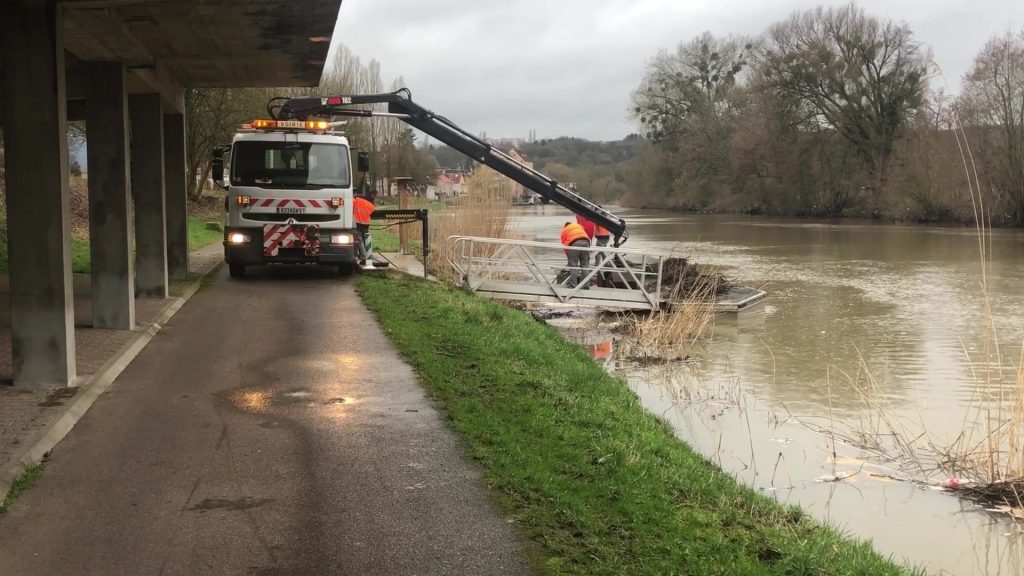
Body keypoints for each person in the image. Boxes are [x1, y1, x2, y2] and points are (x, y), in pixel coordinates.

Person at [560, 221, 591, 288]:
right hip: (586, 242)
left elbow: (565, 246)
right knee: (585, 265)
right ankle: (586, 285)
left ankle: (573, 285)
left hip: (574, 243)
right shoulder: (579, 226)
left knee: (573, 266)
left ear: (565, 226)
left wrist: (569, 258)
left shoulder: (565, 230)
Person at [353, 190, 376, 266]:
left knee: (359, 241)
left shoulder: (357, 200)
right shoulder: (372, 206)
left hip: (358, 223)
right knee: (366, 239)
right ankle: (368, 255)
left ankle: (363, 257)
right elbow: (372, 212)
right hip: (366, 224)